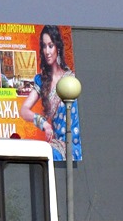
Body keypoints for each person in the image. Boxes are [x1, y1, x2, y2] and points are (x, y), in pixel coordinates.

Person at [19, 25, 80, 161]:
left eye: (50, 46)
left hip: (75, 148)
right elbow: (24, 110)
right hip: (56, 147)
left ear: (58, 47)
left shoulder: (71, 79)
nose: (47, 51)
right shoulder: (42, 80)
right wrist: (44, 124)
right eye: (44, 46)